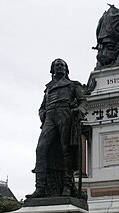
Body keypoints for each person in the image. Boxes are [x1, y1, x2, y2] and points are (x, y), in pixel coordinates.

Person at [26, 59, 87, 198]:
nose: (60, 67)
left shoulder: (72, 85)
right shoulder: (47, 88)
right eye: (57, 65)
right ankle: (40, 188)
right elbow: (42, 107)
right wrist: (42, 114)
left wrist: (80, 109)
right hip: (50, 117)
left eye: (62, 65)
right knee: (41, 149)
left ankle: (67, 185)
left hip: (65, 114)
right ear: (52, 69)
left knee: (65, 150)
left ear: (66, 69)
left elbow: (83, 101)